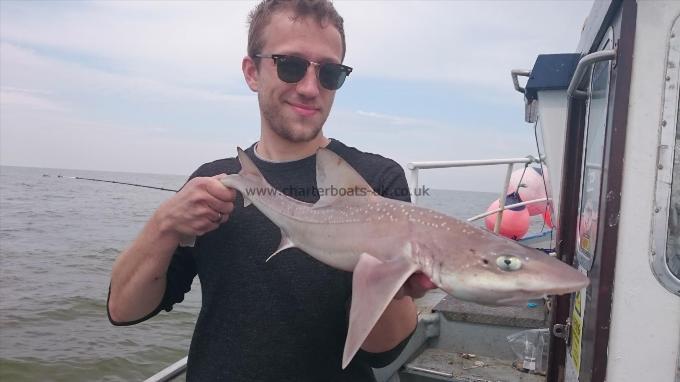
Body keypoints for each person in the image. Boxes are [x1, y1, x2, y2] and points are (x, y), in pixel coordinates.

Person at [107, 1, 435, 380]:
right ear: (252, 71)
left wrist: (392, 283)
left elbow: (383, 352)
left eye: (329, 73)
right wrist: (163, 226)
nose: (311, 88)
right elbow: (124, 310)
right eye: (290, 66)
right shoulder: (214, 183)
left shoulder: (375, 180)